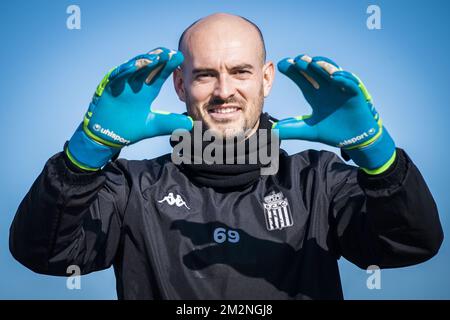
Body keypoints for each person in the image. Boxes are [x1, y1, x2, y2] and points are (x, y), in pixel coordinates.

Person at [9, 13, 443, 300]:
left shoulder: (319, 178)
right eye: (204, 75)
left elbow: (410, 246)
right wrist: (83, 156)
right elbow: (44, 254)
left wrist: (378, 156)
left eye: (240, 71)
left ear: (267, 78)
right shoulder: (131, 186)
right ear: (179, 85)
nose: (223, 91)